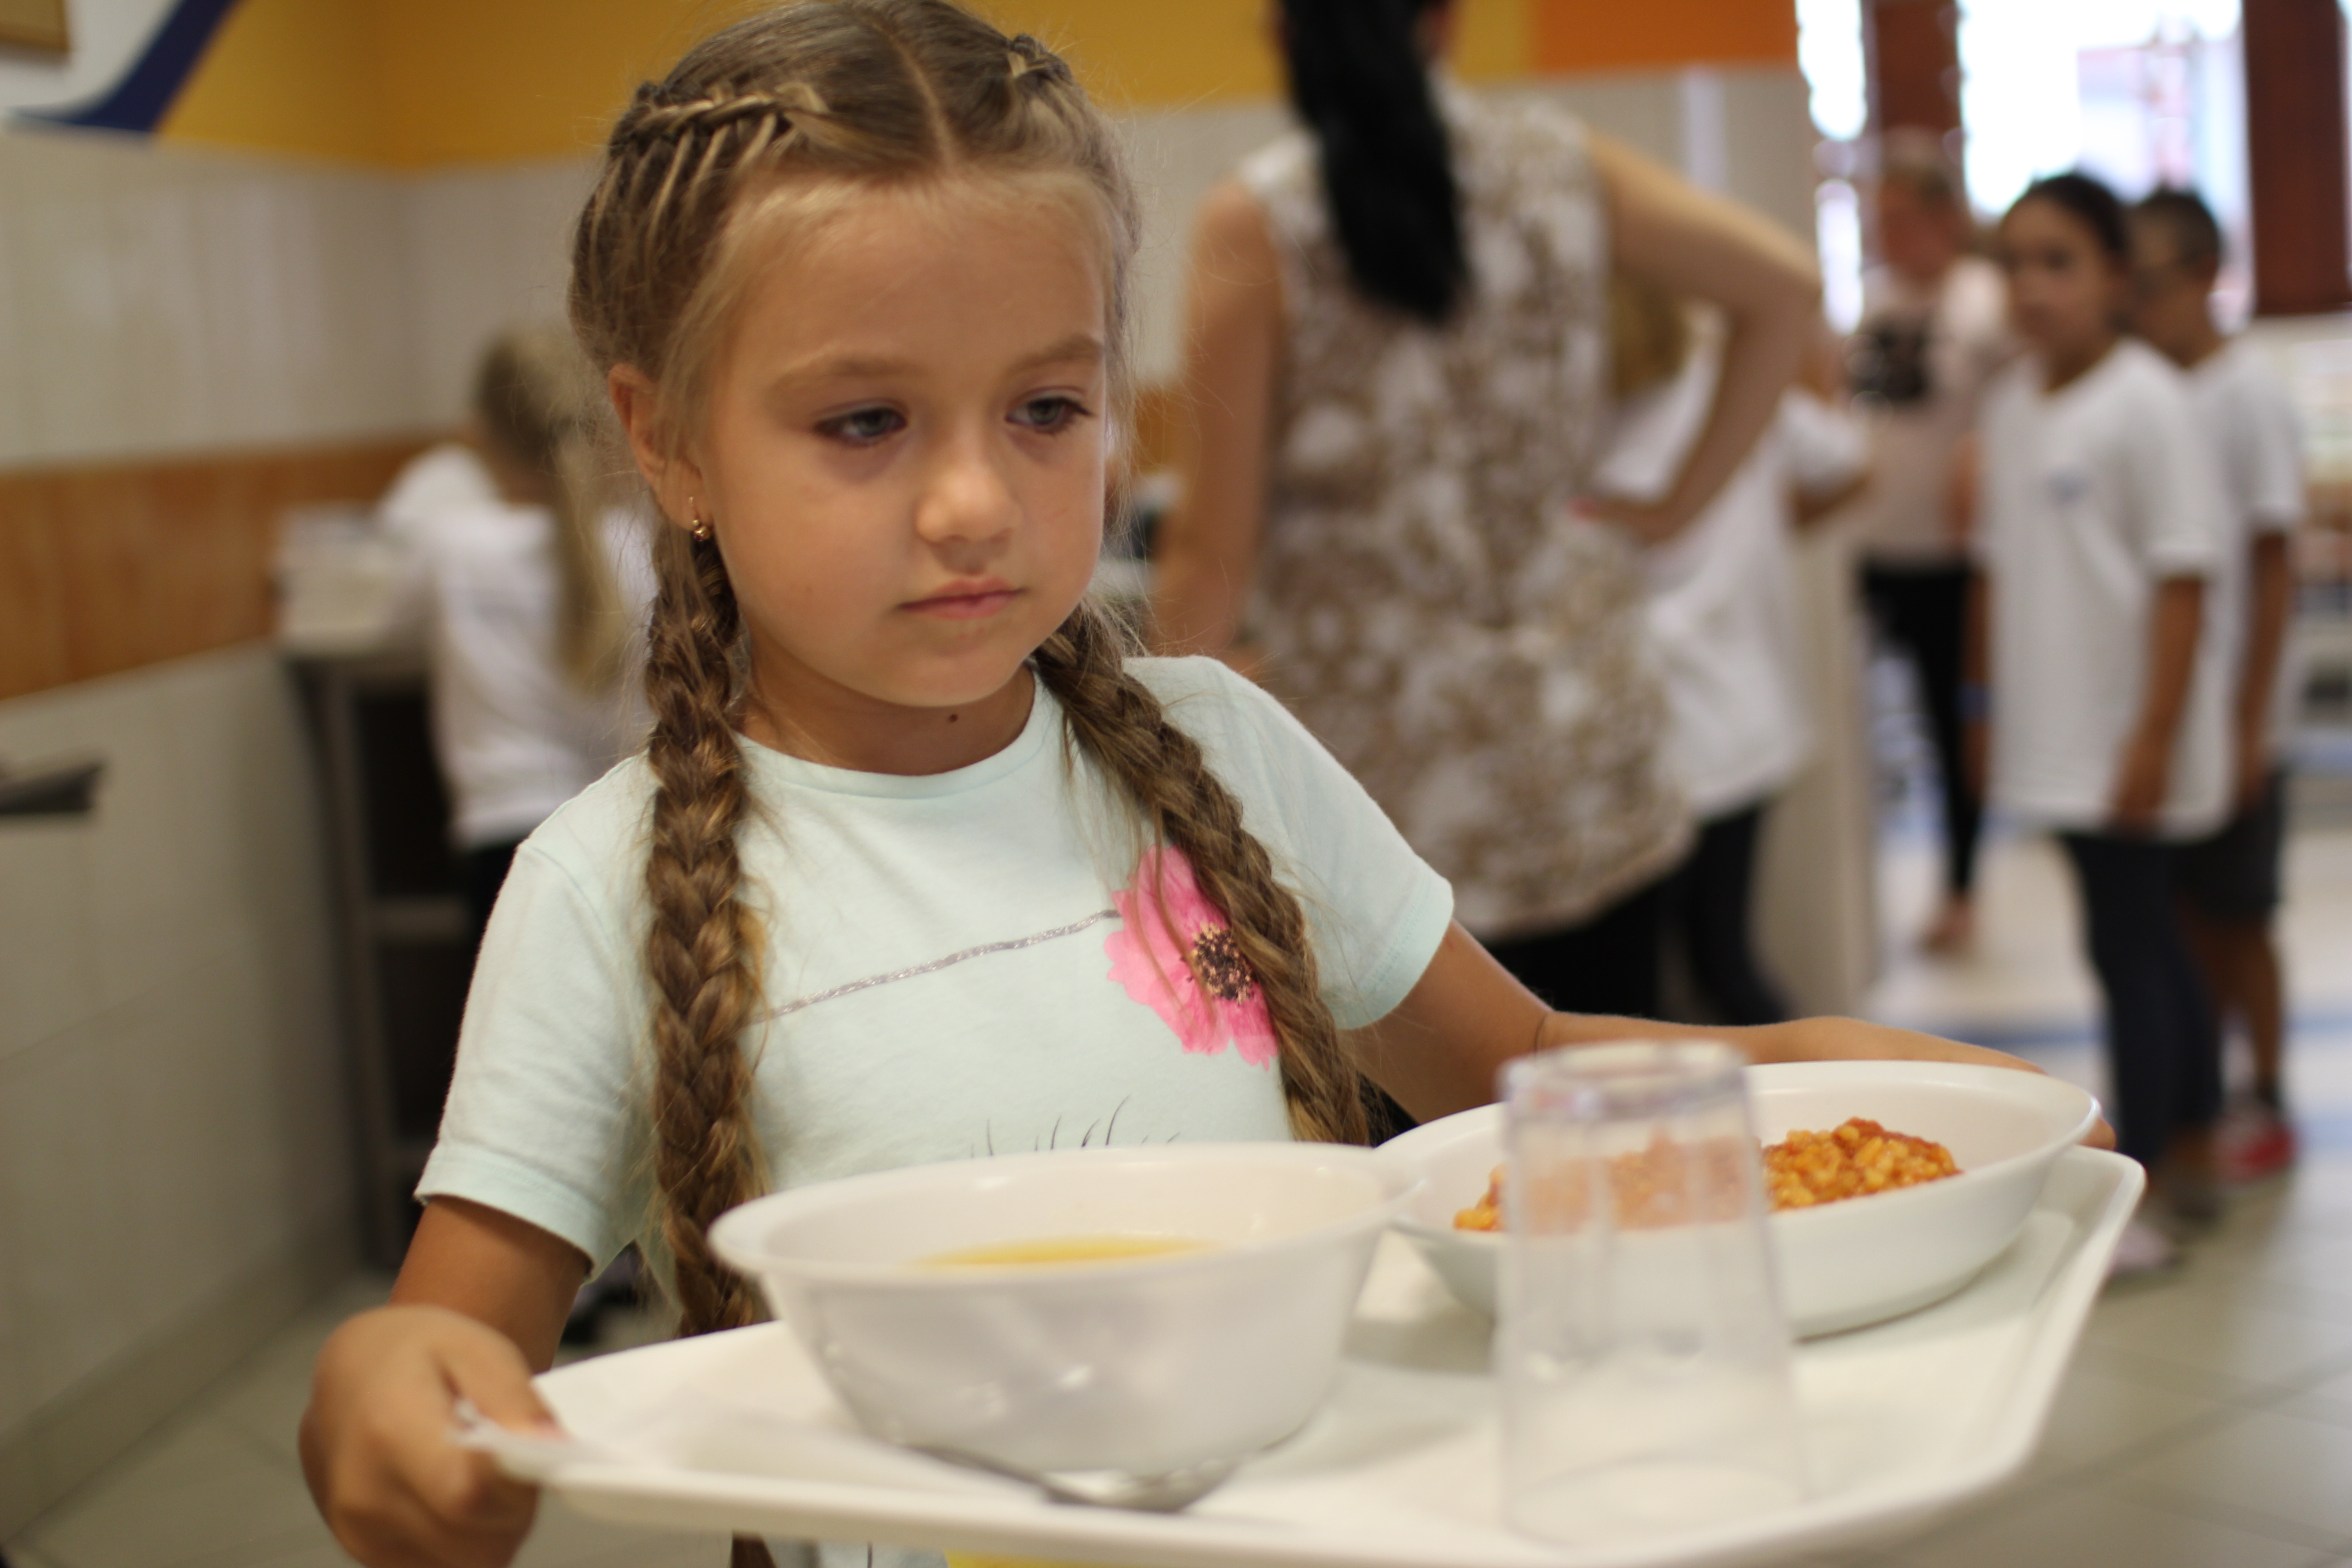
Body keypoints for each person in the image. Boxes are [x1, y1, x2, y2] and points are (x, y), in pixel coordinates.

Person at [296, 7, 2063, 1567]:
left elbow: (1519, 1075)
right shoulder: (602, 886)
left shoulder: (1219, 744)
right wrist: (388, 1396)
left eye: (1045, 411)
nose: (974, 504)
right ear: (667, 439)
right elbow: (439, 1349)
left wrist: (1810, 1076)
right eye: (865, 424)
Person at [1150, 0, 1823, 1023]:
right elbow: (1785, 288)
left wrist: (1153, 767)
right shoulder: (1560, 167)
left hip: (1381, 792)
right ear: (1447, 22)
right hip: (1586, 749)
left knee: (1419, 1113)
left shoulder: (1260, 220)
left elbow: (1211, 551)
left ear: (1284, 36)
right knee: (1601, 1084)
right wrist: (1673, 508)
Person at [1973, 172, 2230, 1271]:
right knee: (2142, 938)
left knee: (2132, 946)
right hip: (2058, 728)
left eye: (2059, 263)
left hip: (2126, 738)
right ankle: (2196, 1144)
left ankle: (2148, 1186)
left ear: (2117, 277)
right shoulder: (2011, 404)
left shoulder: (2147, 403)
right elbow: (1998, 573)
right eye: (2014, 265)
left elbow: (2183, 579)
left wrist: (2152, 737)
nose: (2031, 288)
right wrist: (1983, 708)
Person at [1596, 290, 1868, 1025]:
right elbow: (1850, 463)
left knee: (1691, 973)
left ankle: (1815, 1089)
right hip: (1733, 719)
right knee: (1713, 963)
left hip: (1678, 732)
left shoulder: (1589, 415)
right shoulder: (1729, 387)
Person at [2130, 188, 2306, 1184]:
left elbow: (2274, 569)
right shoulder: (2151, 390)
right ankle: (2203, 1085)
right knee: (2188, 917)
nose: (2135, 304)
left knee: (2242, 917)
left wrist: (2249, 722)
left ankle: (2268, 1088)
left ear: (2203, 276)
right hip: (2186, 713)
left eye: (2149, 283)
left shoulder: (2248, 395)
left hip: (2242, 712)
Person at [389, 325, 655, 948]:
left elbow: (389, 629)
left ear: (480, 435)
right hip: (618, 824)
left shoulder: (448, 545)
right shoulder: (630, 546)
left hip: (500, 829)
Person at [1846, 132, 2013, 954]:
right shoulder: (1874, 301)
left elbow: (2015, 414)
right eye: (1880, 216)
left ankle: (1962, 886)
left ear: (1946, 218)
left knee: (1952, 724)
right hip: (1875, 542)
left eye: (1905, 215)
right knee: (1869, 712)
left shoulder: (1984, 301)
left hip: (1953, 554)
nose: (1889, 231)